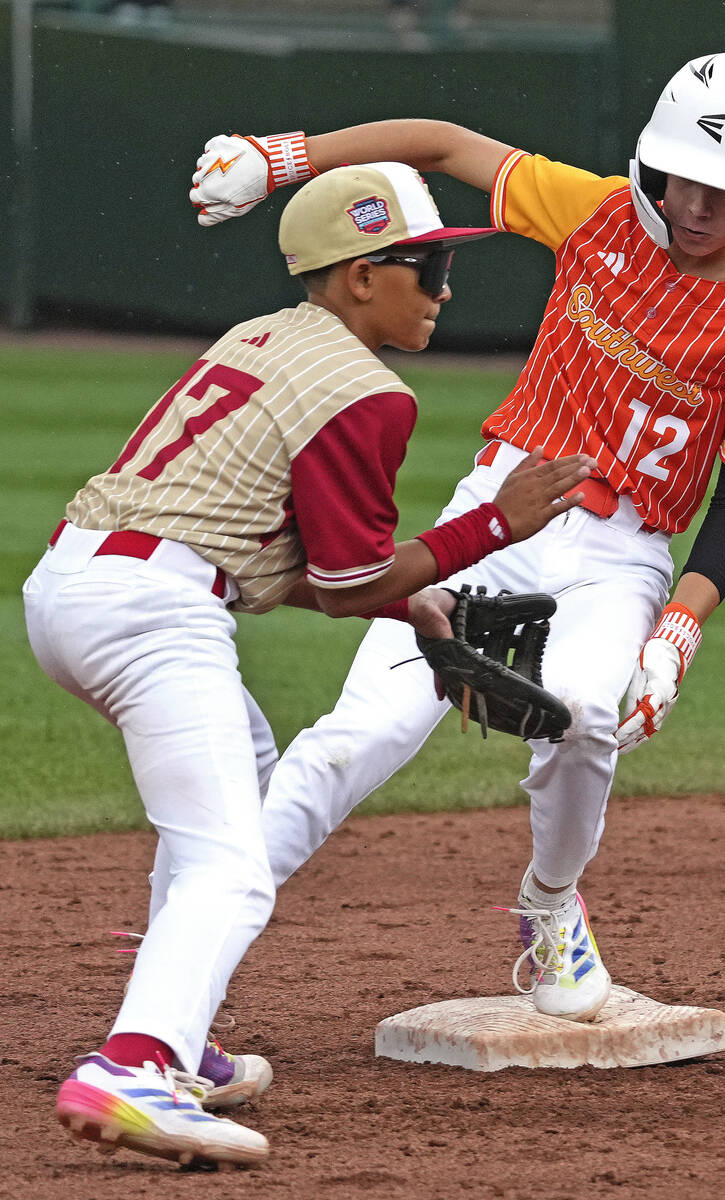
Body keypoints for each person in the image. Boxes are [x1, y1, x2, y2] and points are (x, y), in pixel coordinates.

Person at [190, 52, 725, 1034]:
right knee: (366, 732)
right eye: (683, 175)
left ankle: (550, 904)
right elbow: (440, 145)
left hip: (624, 552)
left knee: (587, 717)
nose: (697, 204)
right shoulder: (596, 210)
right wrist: (281, 159)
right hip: (503, 508)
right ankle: (198, 925)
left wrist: (676, 636)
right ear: (654, 167)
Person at [23, 161, 593, 1168]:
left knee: (242, 773)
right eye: (422, 267)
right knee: (234, 866)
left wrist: (413, 596)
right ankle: (134, 1065)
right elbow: (342, 583)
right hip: (152, 615)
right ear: (359, 274)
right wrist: (491, 526)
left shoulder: (261, 337)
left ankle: (178, 1037)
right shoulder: (365, 392)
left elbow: (276, 557)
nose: (443, 291)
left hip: (76, 584)